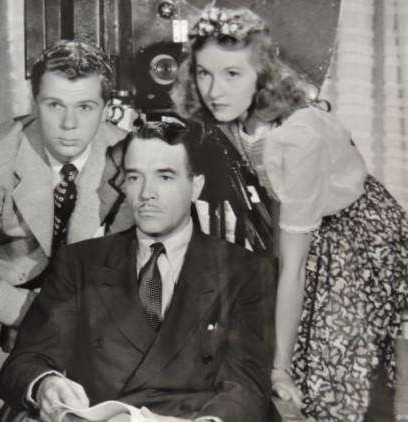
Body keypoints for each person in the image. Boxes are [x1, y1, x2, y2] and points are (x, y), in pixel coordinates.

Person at [171, 6, 408, 421]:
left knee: (325, 375)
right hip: (306, 219)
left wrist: (280, 370)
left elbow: (293, 267)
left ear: (262, 75)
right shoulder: (233, 115)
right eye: (204, 73)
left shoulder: (297, 138)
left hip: (361, 231)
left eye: (232, 74)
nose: (214, 90)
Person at [0, 40, 134, 422]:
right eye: (54, 105)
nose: (70, 125)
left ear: (106, 108)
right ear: (34, 104)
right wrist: (42, 314)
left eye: (85, 107)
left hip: (68, 279)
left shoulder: (128, 159)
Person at [0, 121, 271, 422]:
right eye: (135, 178)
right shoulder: (79, 263)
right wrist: (45, 384)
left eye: (164, 177)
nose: (147, 193)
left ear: (196, 186)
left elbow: (246, 383)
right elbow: (24, 362)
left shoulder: (243, 270)